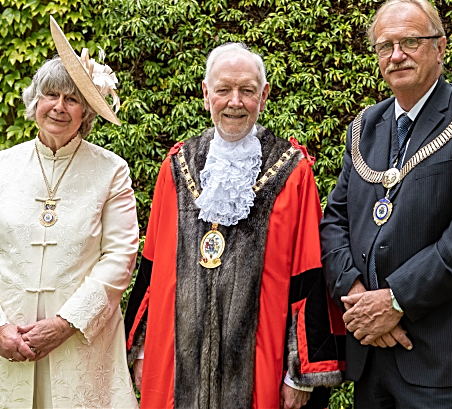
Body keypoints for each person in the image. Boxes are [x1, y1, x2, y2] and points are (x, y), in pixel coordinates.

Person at [123, 42, 344, 409]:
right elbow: (153, 267)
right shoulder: (177, 166)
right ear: (207, 94)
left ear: (264, 95)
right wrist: (142, 349)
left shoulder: (292, 171)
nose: (235, 102)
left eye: (247, 90)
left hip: (262, 363)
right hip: (178, 362)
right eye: (224, 90)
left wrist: (300, 372)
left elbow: (310, 273)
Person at [319, 0, 452, 406]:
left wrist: (395, 301)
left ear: (440, 47)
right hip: (371, 349)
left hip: (443, 353)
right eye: (385, 45)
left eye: (410, 41)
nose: (396, 55)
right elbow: (335, 220)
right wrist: (358, 297)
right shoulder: (364, 126)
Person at [0, 16, 139, 409]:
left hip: (81, 345)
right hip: (8, 345)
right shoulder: (2, 166)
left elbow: (120, 257)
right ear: (35, 101)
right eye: (51, 95)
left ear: (86, 112)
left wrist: (65, 324)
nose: (59, 107)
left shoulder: (112, 170)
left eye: (73, 98)